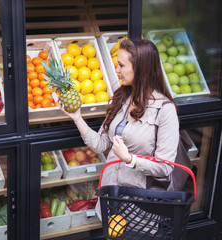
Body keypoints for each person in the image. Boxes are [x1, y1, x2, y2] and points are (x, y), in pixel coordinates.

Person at [60, 39, 179, 220]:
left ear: (140, 69)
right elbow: (100, 144)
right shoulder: (122, 98)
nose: (117, 70)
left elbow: (165, 167)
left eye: (121, 65)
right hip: (111, 199)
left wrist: (130, 159)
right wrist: (77, 117)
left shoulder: (165, 109)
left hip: (139, 206)